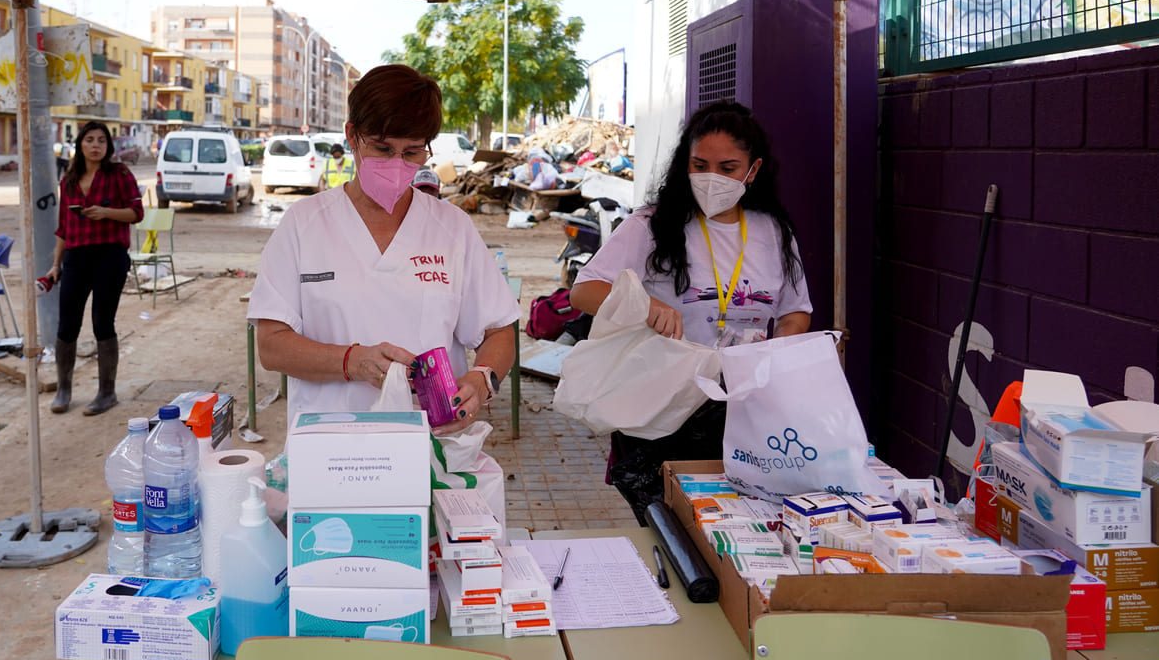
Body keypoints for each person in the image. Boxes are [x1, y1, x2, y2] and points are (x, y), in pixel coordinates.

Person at [570, 101, 812, 524]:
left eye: (728, 167)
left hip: (742, 408)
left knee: (735, 526)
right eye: (700, 165)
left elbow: (796, 312)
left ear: (752, 171)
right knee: (673, 535)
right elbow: (584, 291)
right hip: (663, 407)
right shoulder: (652, 224)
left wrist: (774, 350)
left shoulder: (773, 232)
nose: (711, 178)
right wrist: (644, 307)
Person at [247, 64, 519, 436]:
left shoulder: (451, 228)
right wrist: (352, 361)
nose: (396, 165)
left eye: (411, 152)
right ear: (352, 136)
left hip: (433, 445)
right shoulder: (304, 225)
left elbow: (499, 331)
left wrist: (482, 378)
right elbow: (272, 347)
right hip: (330, 445)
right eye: (382, 148)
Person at [43, 120, 144, 416]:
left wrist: (106, 213)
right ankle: (63, 389)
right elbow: (63, 227)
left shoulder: (120, 174)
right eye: (90, 140)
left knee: (103, 322)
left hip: (110, 256)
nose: (96, 145)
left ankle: (106, 392)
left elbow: (137, 213)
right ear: (80, 145)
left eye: (101, 140)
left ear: (108, 146)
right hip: (76, 257)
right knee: (67, 324)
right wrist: (55, 264)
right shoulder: (69, 180)